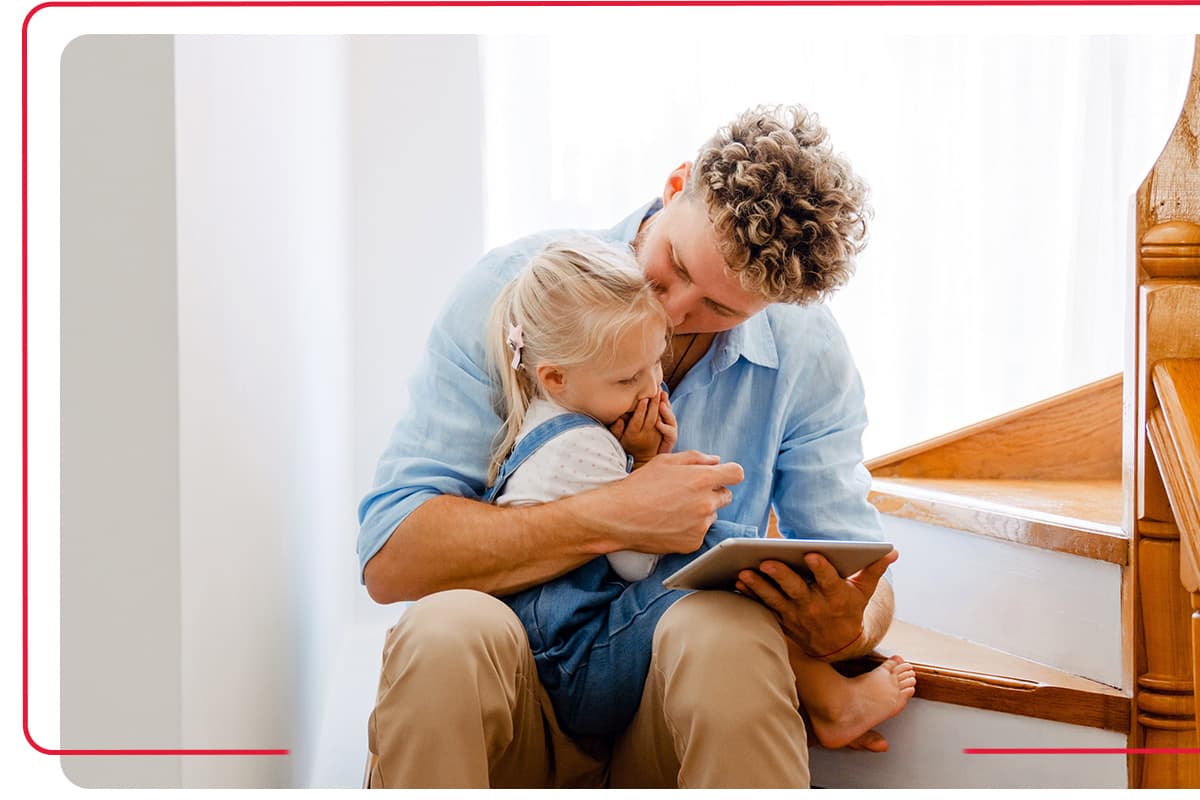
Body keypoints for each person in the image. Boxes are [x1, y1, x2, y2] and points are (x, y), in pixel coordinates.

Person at [358, 104, 901, 788]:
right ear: (675, 185)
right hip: (514, 672)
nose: (672, 314)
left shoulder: (808, 354)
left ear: (774, 306)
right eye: (674, 264)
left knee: (729, 632)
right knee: (443, 631)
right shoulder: (518, 296)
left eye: (720, 308)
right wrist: (616, 513)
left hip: (664, 701)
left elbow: (862, 572)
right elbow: (391, 562)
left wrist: (846, 631)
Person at [482, 236, 915, 743]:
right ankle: (830, 701)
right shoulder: (580, 446)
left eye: (654, 366)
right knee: (721, 568)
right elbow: (635, 563)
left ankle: (825, 694)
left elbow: (614, 540)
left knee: (730, 567)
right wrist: (659, 479)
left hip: (576, 653)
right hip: (574, 670)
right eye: (628, 379)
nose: (651, 389)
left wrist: (644, 461)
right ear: (556, 378)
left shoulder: (554, 422)